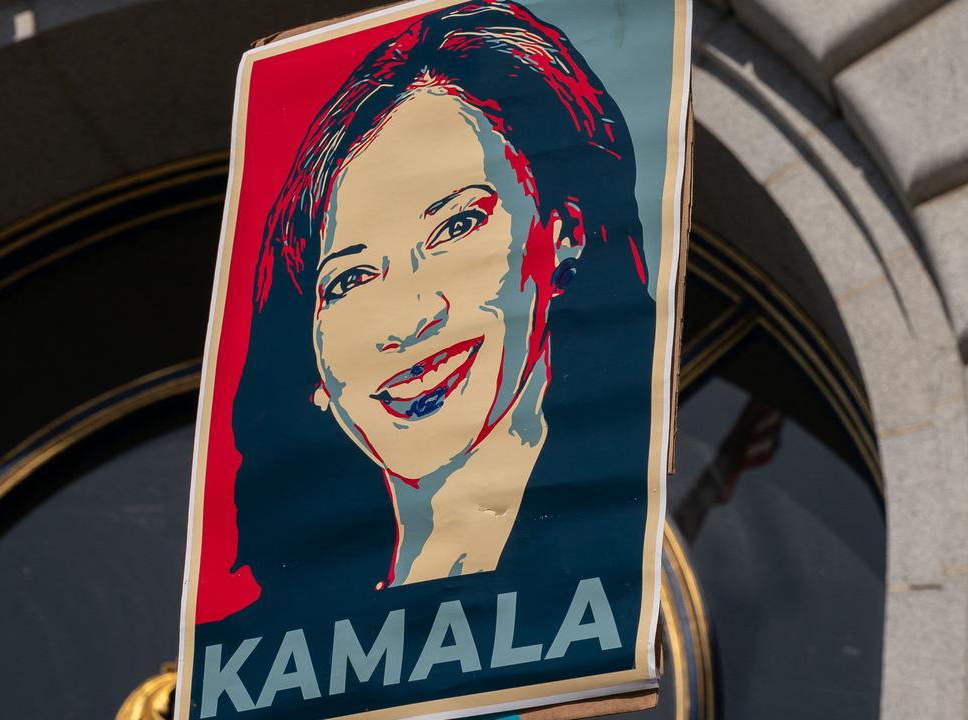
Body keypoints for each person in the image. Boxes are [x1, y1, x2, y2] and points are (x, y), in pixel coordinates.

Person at [228, 0, 655, 631]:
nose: (410, 319)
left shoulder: (641, 557)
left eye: (456, 225)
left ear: (564, 235)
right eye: (348, 278)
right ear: (310, 362)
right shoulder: (264, 655)